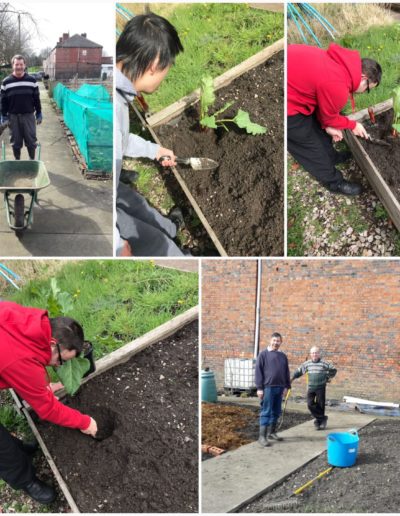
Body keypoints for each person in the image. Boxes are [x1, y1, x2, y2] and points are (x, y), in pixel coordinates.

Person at [0, 301, 98, 504]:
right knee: (2, 449)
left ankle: (21, 448)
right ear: (53, 343)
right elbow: (48, 410)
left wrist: (42, 388)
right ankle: (25, 480)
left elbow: (21, 364)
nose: (59, 365)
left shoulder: (28, 321)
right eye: (62, 361)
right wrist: (85, 422)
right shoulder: (20, 361)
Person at [116, 13, 187, 256]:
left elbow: (120, 139)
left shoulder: (118, 90)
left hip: (110, 184)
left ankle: (170, 227)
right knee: (155, 245)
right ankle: (175, 250)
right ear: (154, 66)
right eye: (168, 67)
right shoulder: (113, 107)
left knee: (135, 203)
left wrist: (153, 150)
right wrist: (117, 246)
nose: (166, 75)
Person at [288, 43, 382, 196]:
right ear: (363, 77)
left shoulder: (340, 63)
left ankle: (332, 157)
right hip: (287, 103)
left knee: (318, 127)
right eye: (368, 88)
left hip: (292, 78)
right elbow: (329, 117)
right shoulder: (337, 86)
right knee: (308, 144)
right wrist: (352, 125)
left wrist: (328, 124)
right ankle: (334, 183)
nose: (365, 92)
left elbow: (325, 114)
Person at [1, 55, 42, 160]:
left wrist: (38, 113)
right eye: (16, 64)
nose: (18, 67)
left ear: (24, 65)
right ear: (12, 65)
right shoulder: (6, 82)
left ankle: (31, 161)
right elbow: (3, 101)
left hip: (28, 116)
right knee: (15, 142)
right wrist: (3, 116)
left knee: (31, 141)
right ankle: (17, 162)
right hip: (13, 117)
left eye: (21, 64)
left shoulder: (32, 81)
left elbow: (37, 99)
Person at [255, 332, 291, 447]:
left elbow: (286, 372)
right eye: (274, 340)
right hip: (268, 388)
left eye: (278, 341)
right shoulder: (263, 355)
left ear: (281, 342)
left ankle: (272, 432)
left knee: (276, 411)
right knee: (266, 411)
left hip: (280, 388)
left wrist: (286, 387)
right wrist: (260, 388)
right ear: (270, 341)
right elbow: (258, 372)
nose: (276, 343)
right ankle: (262, 437)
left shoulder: (283, 356)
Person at [291, 346, 337, 430]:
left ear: (319, 354)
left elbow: (333, 369)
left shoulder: (324, 363)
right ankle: (322, 418)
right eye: (312, 353)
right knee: (310, 404)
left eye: (316, 352)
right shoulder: (307, 363)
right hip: (311, 387)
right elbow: (299, 371)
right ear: (310, 354)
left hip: (321, 387)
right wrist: (292, 378)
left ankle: (318, 422)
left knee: (320, 405)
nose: (314, 354)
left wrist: (327, 377)